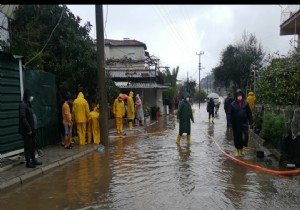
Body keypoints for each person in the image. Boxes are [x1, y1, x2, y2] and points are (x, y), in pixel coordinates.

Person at [19, 89, 42, 168]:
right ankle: (28, 162)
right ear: (27, 96)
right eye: (30, 96)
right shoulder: (23, 105)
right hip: (27, 131)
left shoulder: (28, 104)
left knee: (33, 145)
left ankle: (33, 160)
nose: (31, 97)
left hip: (32, 129)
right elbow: (23, 118)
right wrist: (29, 129)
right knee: (28, 146)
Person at [228, 89, 253, 157]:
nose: (239, 96)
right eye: (238, 95)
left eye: (240, 95)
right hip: (236, 123)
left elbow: (249, 113)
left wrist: (251, 122)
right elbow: (229, 114)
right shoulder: (232, 104)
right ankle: (237, 150)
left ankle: (242, 147)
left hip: (244, 122)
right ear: (236, 96)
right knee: (237, 137)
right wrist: (230, 123)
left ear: (242, 95)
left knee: (246, 134)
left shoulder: (245, 103)